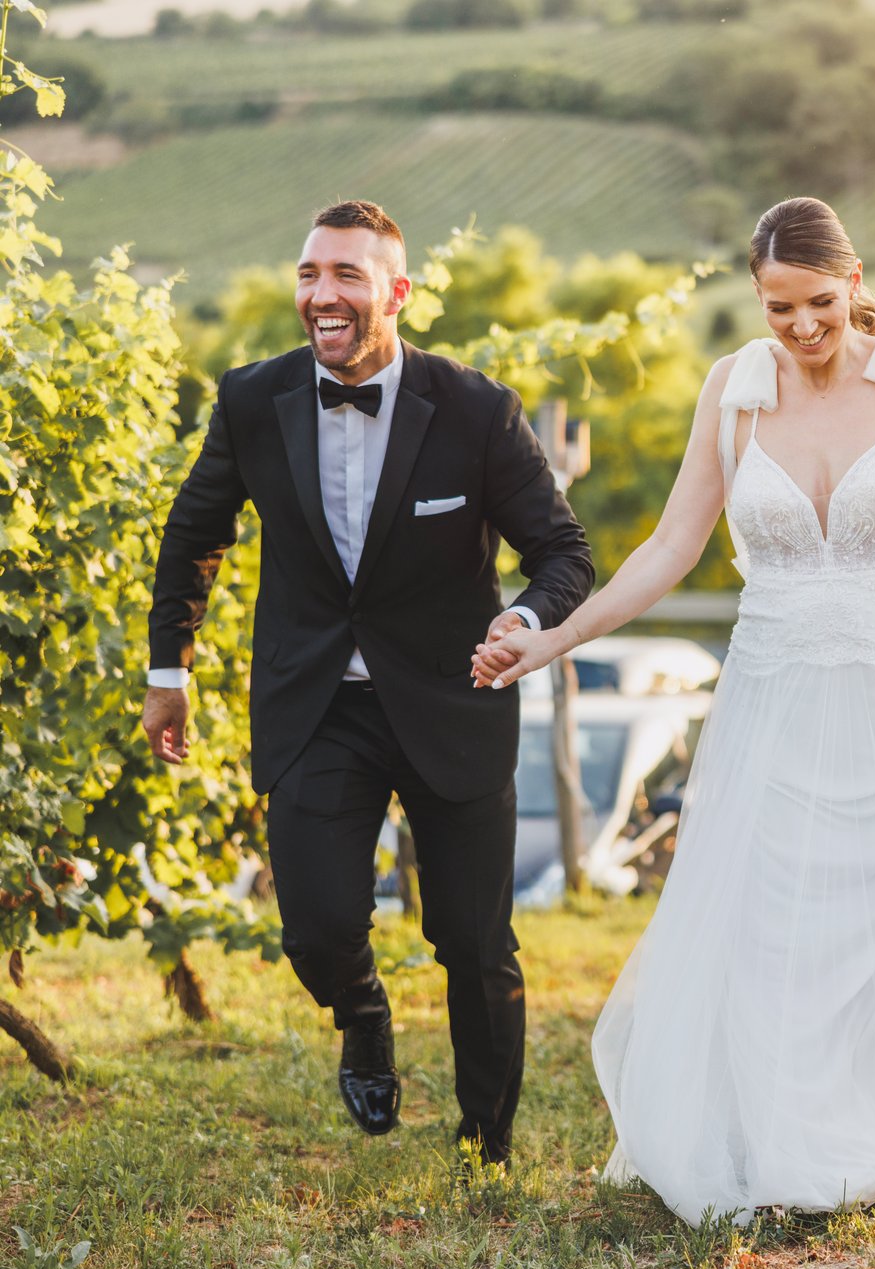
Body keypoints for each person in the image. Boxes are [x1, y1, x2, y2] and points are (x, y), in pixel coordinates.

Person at [472, 196, 875, 1220]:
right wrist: (552, 638)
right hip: (774, 703)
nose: (802, 325)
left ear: (855, 281)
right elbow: (670, 547)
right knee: (785, 930)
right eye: (778, 306)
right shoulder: (735, 394)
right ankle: (810, 1141)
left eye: (819, 301)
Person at [143, 199, 596, 1167]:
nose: (323, 294)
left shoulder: (478, 409)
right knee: (314, 924)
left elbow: (563, 550)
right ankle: (363, 1013)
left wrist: (521, 620)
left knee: (474, 944)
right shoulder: (251, 400)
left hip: (453, 697)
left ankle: (487, 1143)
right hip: (318, 705)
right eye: (310, 274)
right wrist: (168, 668)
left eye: (347, 274)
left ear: (397, 292)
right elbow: (195, 535)